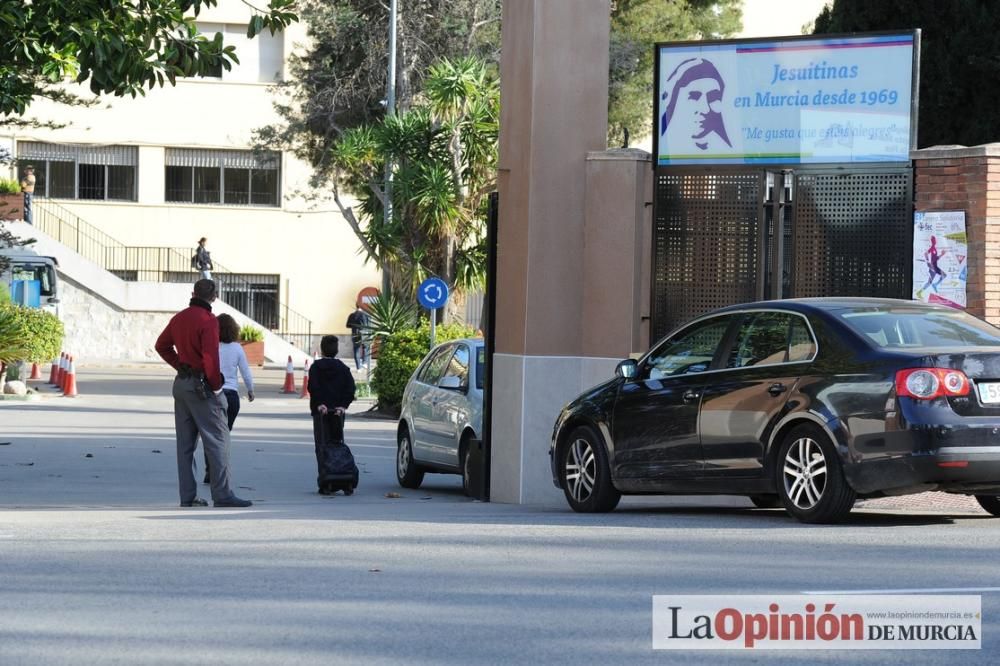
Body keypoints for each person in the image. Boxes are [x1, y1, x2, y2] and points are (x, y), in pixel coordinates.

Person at [155, 279, 252, 508]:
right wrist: (217, 387)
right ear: (214, 296)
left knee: (185, 444)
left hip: (182, 383)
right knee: (218, 439)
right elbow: (210, 358)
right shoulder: (208, 321)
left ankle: (187, 496)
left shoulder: (179, 317)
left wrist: (179, 365)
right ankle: (223, 494)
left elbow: (162, 345)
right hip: (203, 387)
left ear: (193, 293)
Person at [202, 313, 256, 483]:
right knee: (224, 435)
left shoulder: (211, 347)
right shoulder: (237, 348)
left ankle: (210, 469)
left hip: (213, 394)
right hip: (231, 397)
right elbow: (246, 372)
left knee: (211, 435)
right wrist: (250, 390)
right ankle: (221, 471)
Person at [308, 335, 356, 491]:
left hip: (321, 412)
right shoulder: (343, 368)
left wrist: (320, 403)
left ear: (321, 349)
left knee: (322, 445)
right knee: (337, 442)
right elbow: (350, 388)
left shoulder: (316, 368)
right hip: (337, 412)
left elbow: (313, 387)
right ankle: (342, 476)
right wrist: (342, 406)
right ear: (337, 350)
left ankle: (326, 479)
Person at [660, 58, 732, 153]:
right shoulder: (666, 150)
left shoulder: (726, 151)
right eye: (694, 96)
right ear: (672, 99)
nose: (705, 109)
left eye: (713, 97)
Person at [916, 235, 947, 299]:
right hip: (933, 268)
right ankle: (919, 292)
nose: (935, 241)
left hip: (934, 267)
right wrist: (928, 262)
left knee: (943, 275)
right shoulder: (933, 248)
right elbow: (933, 258)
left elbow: (928, 254)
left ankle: (935, 285)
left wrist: (941, 255)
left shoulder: (933, 248)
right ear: (933, 241)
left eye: (935, 240)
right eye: (934, 240)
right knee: (930, 282)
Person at [345, 305, 370, 370]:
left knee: (356, 350)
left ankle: (358, 368)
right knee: (366, 347)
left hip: (355, 333)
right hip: (364, 333)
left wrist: (354, 326)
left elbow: (347, 325)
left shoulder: (352, 315)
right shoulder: (366, 315)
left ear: (356, 306)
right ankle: (364, 362)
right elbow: (369, 325)